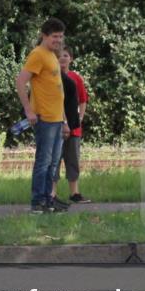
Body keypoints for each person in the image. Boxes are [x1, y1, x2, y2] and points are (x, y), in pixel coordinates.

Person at [14, 18, 70, 214]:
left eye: (61, 36)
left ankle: (49, 199)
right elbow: (20, 81)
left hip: (56, 119)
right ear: (44, 36)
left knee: (53, 163)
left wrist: (64, 120)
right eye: (54, 36)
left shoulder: (52, 55)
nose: (58, 40)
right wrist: (28, 110)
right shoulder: (38, 54)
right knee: (44, 162)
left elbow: (58, 90)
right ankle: (37, 202)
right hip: (44, 118)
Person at [52, 47, 92, 203]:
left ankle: (74, 193)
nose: (62, 58)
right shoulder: (52, 76)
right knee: (54, 160)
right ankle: (52, 194)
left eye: (66, 55)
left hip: (74, 128)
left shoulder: (76, 78)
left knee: (73, 159)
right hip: (55, 125)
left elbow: (83, 100)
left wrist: (80, 118)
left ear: (71, 59)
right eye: (59, 55)